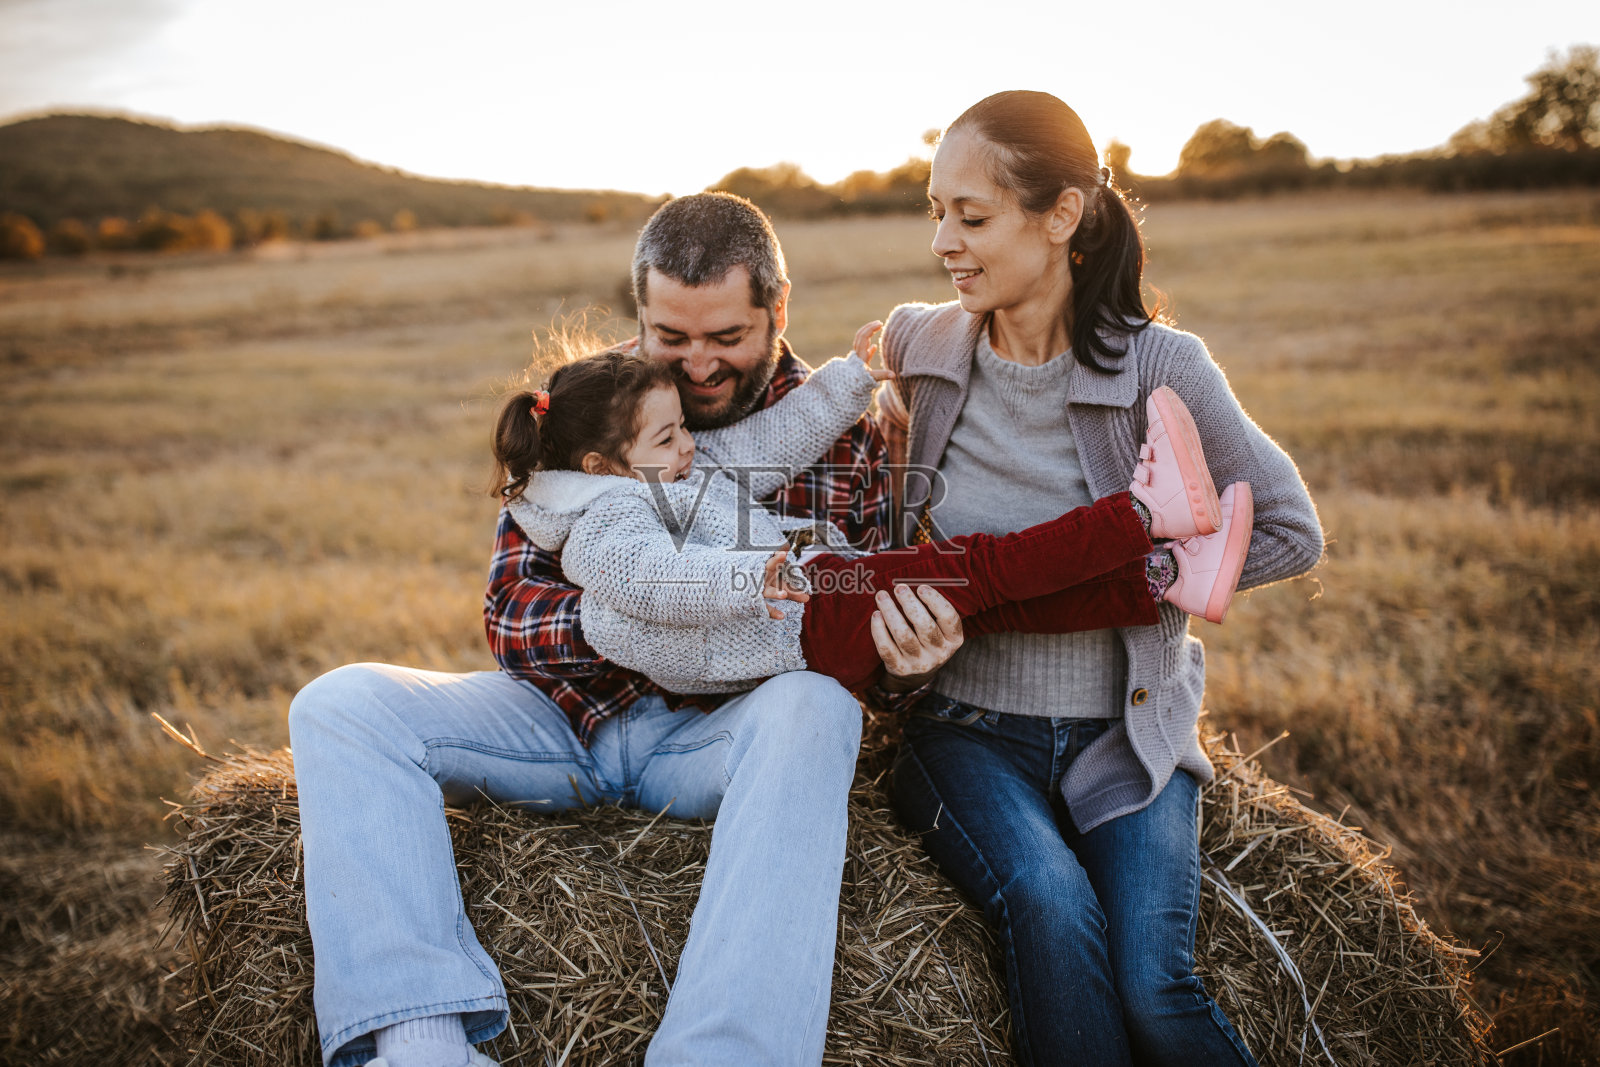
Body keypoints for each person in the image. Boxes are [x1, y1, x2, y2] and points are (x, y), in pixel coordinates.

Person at [287, 193, 929, 1067]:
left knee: (818, 707)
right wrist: (638, 616)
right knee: (341, 704)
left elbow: (870, 622)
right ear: (641, 314)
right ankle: (421, 1039)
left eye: (727, 337)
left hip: (714, 738)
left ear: (779, 310)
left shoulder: (845, 437)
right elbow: (512, 618)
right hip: (563, 723)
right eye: (673, 335)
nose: (699, 364)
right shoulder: (585, 408)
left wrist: (904, 661)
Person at [875, 91, 1325, 1066]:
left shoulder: (1159, 367)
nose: (944, 240)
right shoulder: (922, 345)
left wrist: (1147, 573)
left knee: (1154, 990)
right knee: (1048, 904)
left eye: (973, 215)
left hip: (1128, 730)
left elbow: (1290, 530)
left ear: (1062, 216)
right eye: (935, 211)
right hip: (965, 733)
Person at [490, 330, 1254, 697]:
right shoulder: (604, 528)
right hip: (806, 619)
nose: (692, 445)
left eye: (683, 427)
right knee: (982, 565)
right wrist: (762, 573)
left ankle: (1160, 580)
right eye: (669, 435)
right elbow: (657, 581)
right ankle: (1144, 515)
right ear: (600, 466)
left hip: (817, 606)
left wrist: (851, 376)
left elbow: (773, 439)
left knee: (990, 606)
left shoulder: (670, 471)